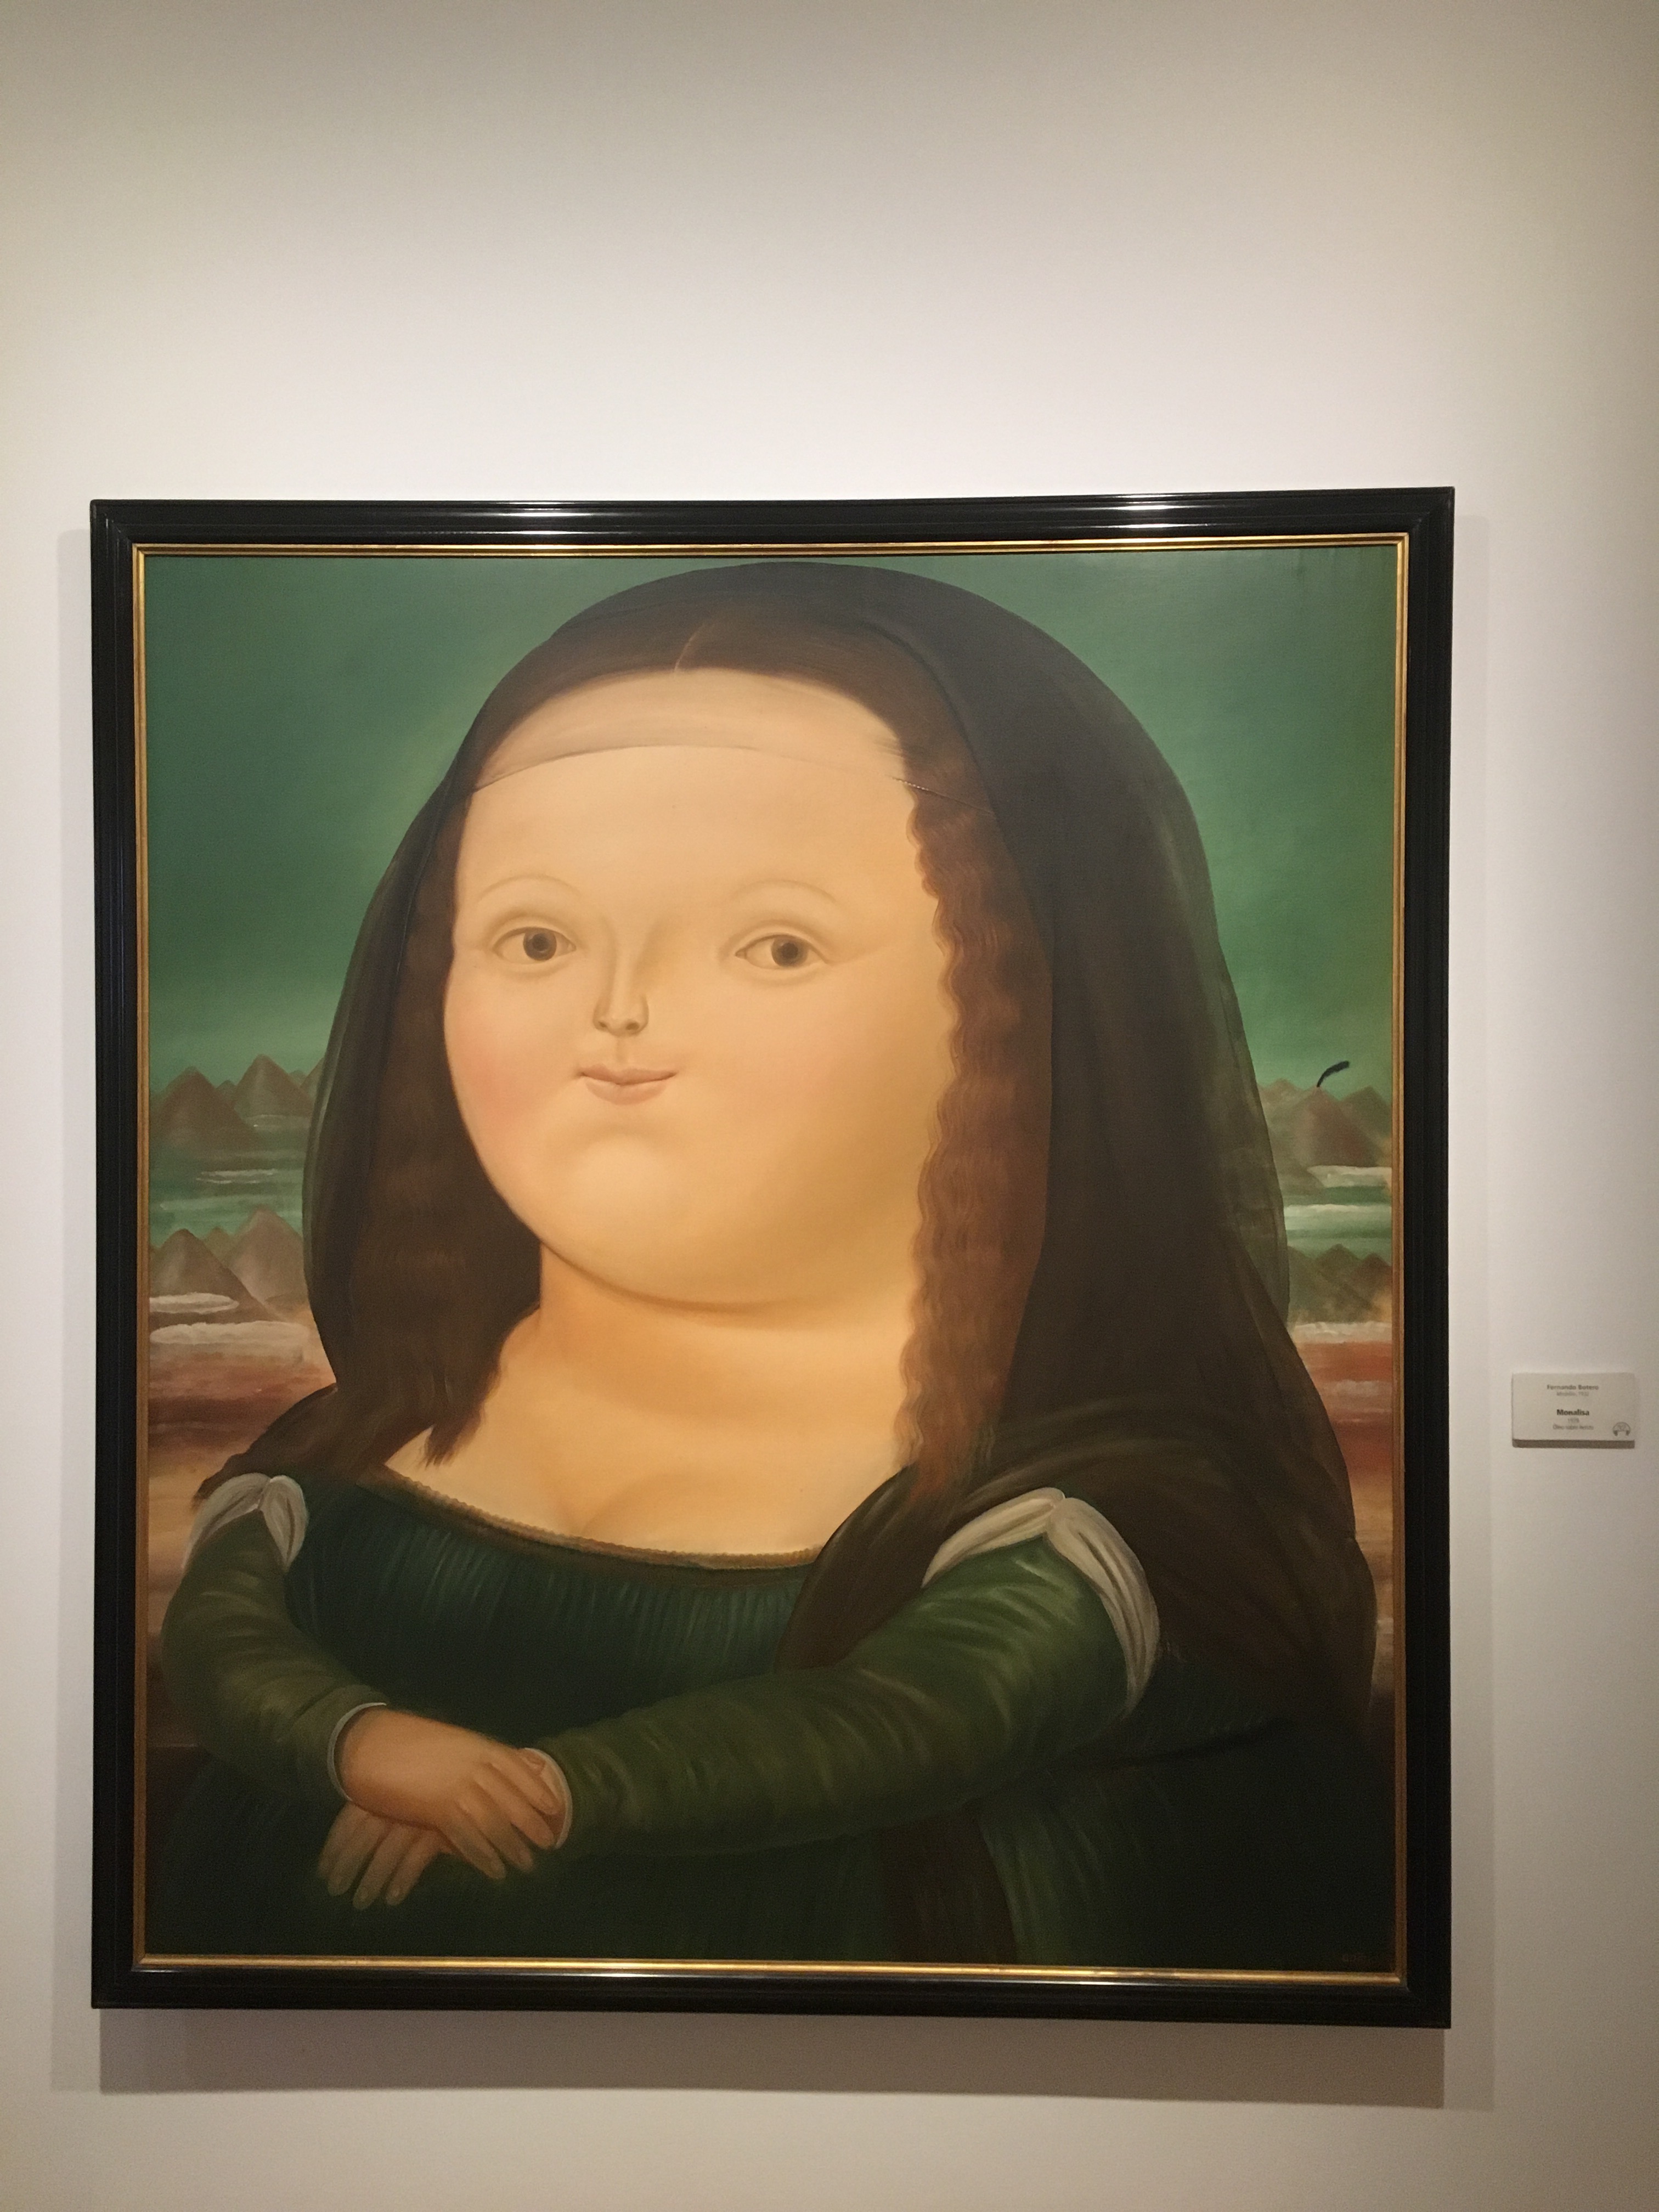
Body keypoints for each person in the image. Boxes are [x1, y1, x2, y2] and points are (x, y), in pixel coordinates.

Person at [156, 560, 1389, 1970]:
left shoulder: (1118, 1540)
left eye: (777, 945)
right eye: (536, 937)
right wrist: (351, 1735)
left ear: (1012, 1007)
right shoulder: (337, 1467)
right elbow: (230, 1648)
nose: (618, 1014)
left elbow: (925, 1714)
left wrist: (552, 1789)